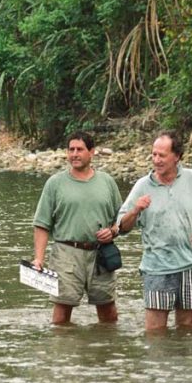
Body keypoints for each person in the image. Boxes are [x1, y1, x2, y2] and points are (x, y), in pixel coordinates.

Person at [116, 132, 192, 331]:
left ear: (177, 156)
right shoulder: (142, 186)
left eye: (162, 155)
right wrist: (135, 210)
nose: (156, 160)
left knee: (187, 329)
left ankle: (183, 363)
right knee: (155, 332)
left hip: (190, 264)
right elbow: (122, 228)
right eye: (154, 155)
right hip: (156, 267)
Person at [31, 131, 122, 324]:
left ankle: (107, 351)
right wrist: (38, 259)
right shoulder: (55, 183)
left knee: (108, 311)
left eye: (79, 149)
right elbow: (42, 224)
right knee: (62, 311)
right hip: (66, 253)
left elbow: (121, 220)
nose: (74, 154)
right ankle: (62, 353)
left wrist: (112, 231)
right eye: (71, 149)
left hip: (101, 254)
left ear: (92, 152)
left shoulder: (107, 182)